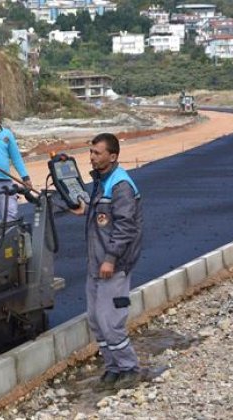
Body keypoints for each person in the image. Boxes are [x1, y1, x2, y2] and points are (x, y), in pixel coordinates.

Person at [71, 133, 143, 391]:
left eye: (97, 153)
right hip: (96, 263)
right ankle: (113, 368)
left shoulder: (120, 186)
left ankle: (130, 368)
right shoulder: (102, 182)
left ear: (112, 156)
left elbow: (125, 227)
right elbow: (103, 217)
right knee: (95, 319)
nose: (91, 157)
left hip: (112, 266)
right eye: (91, 152)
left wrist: (111, 259)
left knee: (110, 320)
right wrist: (84, 209)